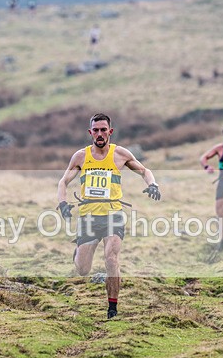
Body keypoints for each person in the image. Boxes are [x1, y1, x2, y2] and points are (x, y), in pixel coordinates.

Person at [57, 113, 161, 319]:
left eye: (103, 130)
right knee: (83, 269)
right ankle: (78, 251)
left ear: (110, 132)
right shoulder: (80, 156)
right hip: (88, 217)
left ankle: (112, 308)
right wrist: (62, 203)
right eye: (95, 130)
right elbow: (63, 182)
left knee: (111, 258)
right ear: (90, 133)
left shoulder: (120, 154)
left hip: (113, 215)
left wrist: (153, 184)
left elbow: (144, 170)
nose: (100, 134)